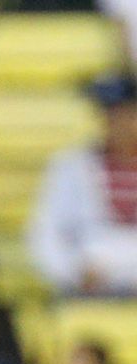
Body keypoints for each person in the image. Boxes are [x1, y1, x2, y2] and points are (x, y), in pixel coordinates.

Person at [28, 74, 137, 296]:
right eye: (113, 116)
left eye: (129, 115)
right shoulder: (70, 167)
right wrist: (73, 272)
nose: (121, 124)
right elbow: (44, 234)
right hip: (90, 289)